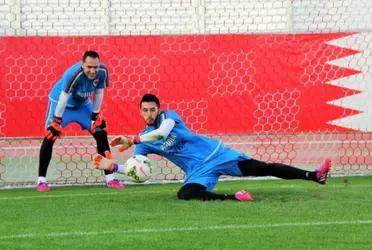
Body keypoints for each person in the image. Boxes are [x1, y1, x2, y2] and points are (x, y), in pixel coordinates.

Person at [93, 93, 331, 201]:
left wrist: (132, 140)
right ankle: (233, 197)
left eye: (152, 109)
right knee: (185, 194)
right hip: (198, 172)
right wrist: (112, 166)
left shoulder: (168, 117)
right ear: (140, 111)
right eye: (144, 110)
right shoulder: (145, 139)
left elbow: (162, 133)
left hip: (216, 154)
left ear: (158, 109)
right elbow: (138, 170)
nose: (149, 113)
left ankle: (314, 175)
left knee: (263, 167)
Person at [37, 50, 124, 192]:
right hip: (61, 104)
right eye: (89, 67)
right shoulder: (73, 74)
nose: (92, 70)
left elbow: (99, 92)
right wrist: (57, 121)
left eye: (95, 67)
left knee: (101, 132)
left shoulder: (102, 72)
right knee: (50, 136)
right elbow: (64, 97)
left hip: (82, 105)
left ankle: (110, 179)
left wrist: (95, 116)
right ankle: (41, 181)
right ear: (82, 65)